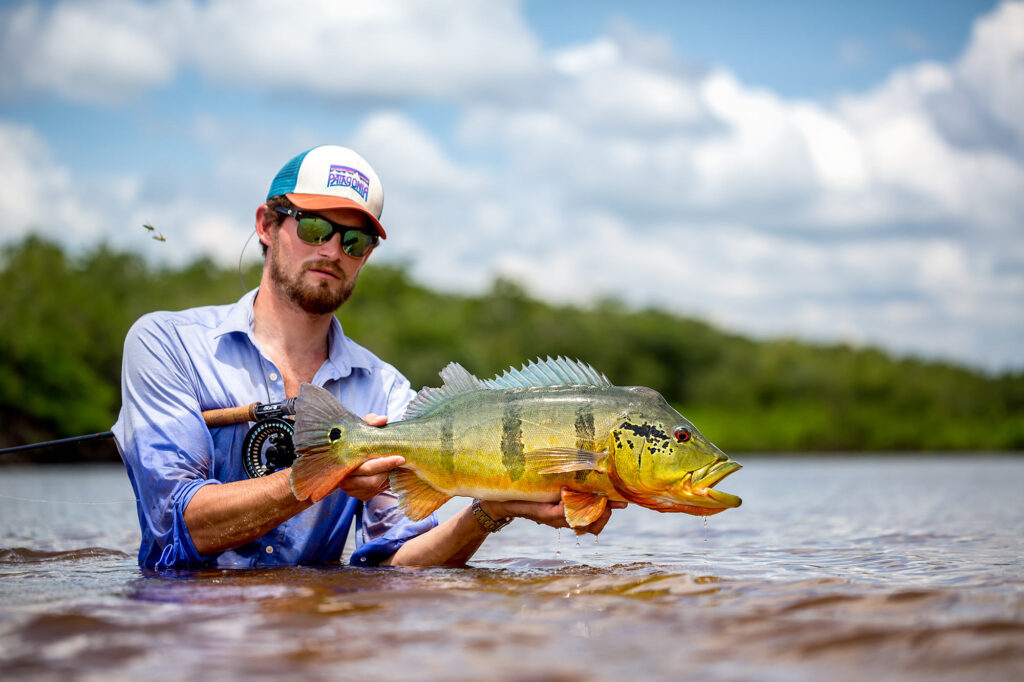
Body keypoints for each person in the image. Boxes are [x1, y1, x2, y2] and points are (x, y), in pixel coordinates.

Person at [113, 145, 622, 570]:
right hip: (183, 639)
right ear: (267, 224)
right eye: (315, 229)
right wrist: (321, 475)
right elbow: (172, 525)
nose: (333, 251)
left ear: (367, 256)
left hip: (319, 641)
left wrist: (488, 510)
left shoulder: (387, 392)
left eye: (354, 240)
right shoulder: (165, 344)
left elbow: (394, 562)